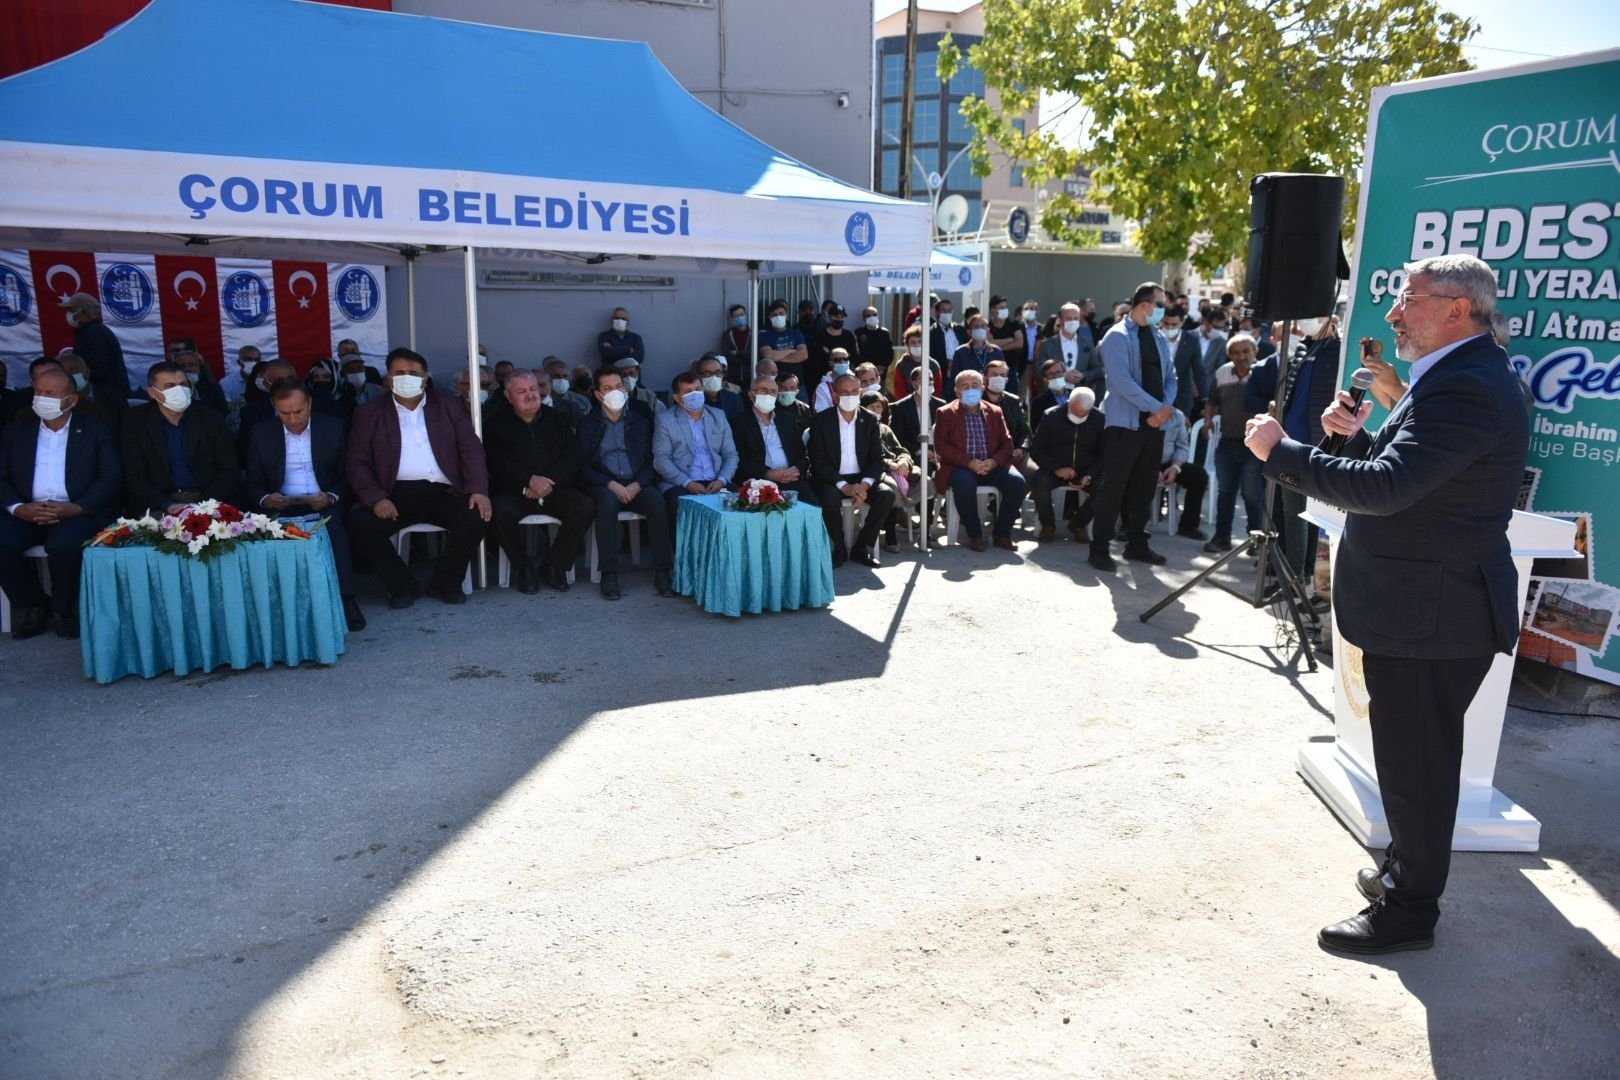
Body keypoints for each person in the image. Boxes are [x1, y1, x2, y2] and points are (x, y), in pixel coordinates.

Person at [1243, 254, 1529, 956]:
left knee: (1418, 771)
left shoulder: (1466, 386)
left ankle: (1409, 912)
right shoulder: (1458, 375)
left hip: (1431, 615)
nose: (1394, 314)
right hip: (1423, 609)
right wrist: (1356, 440)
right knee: (1411, 763)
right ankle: (1407, 873)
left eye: (1409, 300)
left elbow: (1389, 491)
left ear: (1457, 309)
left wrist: (1284, 453)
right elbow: (1413, 478)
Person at [345, 348, 491, 608]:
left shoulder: (448, 405)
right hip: (394, 494)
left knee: (477, 516)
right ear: (389, 378)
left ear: (425, 379)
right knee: (360, 522)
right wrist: (376, 498)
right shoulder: (369, 413)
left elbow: (471, 449)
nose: (406, 378)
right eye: (399, 372)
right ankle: (402, 586)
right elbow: (357, 462)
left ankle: (445, 583)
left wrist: (478, 489)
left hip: (444, 492)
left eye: (413, 373)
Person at [0, 365, 121, 640]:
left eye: (50, 394)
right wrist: (18, 508)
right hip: (27, 511)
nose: (41, 398)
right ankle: (35, 605)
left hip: (76, 511)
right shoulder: (16, 431)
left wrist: (78, 507)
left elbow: (111, 476)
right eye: (38, 392)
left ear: (71, 400)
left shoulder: (96, 430)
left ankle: (63, 611)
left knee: (64, 546)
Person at [244, 381, 365, 632]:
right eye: (284, 413)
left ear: (309, 403)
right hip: (280, 503)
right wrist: (266, 498)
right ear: (274, 407)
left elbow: (350, 473)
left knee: (335, 528)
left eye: (298, 411)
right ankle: (277, 607)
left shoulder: (334, 427)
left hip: (323, 501)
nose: (292, 419)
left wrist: (331, 496)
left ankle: (347, 599)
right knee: (262, 534)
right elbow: (252, 481)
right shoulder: (261, 433)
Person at [1087, 282, 1177, 571]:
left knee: (1144, 488)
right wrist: (1156, 408)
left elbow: (1171, 377)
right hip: (1125, 425)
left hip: (1154, 425)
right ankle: (1099, 548)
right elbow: (1122, 382)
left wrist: (1164, 409)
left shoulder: (1158, 336)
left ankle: (1137, 544)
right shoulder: (1117, 336)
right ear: (1145, 305)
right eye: (1160, 304)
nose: (1163, 310)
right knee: (1114, 487)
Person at [1245, 316, 1343, 578]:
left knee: (1306, 516)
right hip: (1289, 441)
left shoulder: (1338, 352)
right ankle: (1294, 574)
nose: (1304, 324)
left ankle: (1298, 576)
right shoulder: (1302, 349)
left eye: (1312, 318)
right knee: (1293, 513)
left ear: (1328, 319)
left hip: (1318, 444)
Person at [483, 370, 593, 595]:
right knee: (498, 512)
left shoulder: (558, 419)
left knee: (585, 506)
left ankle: (554, 566)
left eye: (533, 389)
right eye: (521, 391)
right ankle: (523, 569)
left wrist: (548, 483)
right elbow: (497, 464)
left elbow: (572, 457)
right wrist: (528, 482)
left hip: (555, 489)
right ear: (508, 396)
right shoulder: (495, 424)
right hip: (516, 492)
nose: (531, 395)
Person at [577, 368, 675, 599]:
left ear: (626, 389)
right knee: (607, 505)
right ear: (598, 394)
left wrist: (638, 484)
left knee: (656, 502)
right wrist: (610, 484)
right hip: (605, 485)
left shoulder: (641, 421)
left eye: (618, 386)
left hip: (636, 483)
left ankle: (663, 571)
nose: (615, 392)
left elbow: (653, 461)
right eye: (607, 388)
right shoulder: (588, 424)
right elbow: (581, 466)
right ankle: (609, 573)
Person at [122, 362, 239, 516]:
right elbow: (134, 475)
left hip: (208, 501)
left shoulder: (211, 418)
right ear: (152, 392)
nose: (179, 390)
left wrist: (202, 505)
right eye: (170, 386)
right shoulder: (135, 422)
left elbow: (229, 470)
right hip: (157, 505)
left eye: (183, 384)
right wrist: (167, 504)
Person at [808, 372, 897, 567]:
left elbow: (877, 459)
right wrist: (844, 486)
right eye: (844, 392)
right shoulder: (821, 421)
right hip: (832, 478)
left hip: (861, 478)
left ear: (860, 393)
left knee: (887, 495)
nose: (850, 396)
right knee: (828, 497)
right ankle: (839, 548)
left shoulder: (870, 420)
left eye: (854, 392)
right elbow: (818, 462)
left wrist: (864, 485)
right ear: (835, 396)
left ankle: (861, 547)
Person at [933, 369, 1026, 553]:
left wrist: (994, 462)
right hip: (960, 466)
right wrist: (969, 462)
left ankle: (1002, 533)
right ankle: (975, 535)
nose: (970, 390)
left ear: (983, 388)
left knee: (1017, 483)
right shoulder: (945, 412)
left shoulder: (995, 411)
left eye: (975, 385)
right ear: (957, 391)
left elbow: (1007, 443)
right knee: (964, 484)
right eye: (965, 386)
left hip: (992, 465)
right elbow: (941, 446)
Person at [653, 371, 738, 534]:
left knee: (740, 503)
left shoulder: (718, 416)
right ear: (678, 398)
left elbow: (731, 455)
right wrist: (687, 483)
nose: (694, 394)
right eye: (688, 391)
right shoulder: (665, 419)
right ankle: (683, 550)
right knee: (678, 507)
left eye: (697, 389)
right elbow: (661, 459)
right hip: (681, 483)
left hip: (716, 481)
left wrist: (722, 480)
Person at [1202, 333, 1265, 553]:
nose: (1241, 356)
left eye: (1246, 351)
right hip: (1228, 442)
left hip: (1255, 446)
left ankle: (1256, 541)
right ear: (1229, 354)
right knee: (1225, 492)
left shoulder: (1263, 374)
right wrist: (1208, 421)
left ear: (1255, 351)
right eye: (1236, 352)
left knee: (1252, 493)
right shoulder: (1222, 373)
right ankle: (1222, 538)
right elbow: (1211, 401)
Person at [1028, 386, 1104, 543]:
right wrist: (1056, 469)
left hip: (1086, 470)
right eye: (1075, 411)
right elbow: (1036, 449)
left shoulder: (1100, 419)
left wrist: (1090, 475)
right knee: (1039, 482)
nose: (1078, 416)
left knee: (1106, 487)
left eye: (1083, 414)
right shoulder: (1051, 415)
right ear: (1069, 403)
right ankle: (1048, 525)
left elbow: (1105, 455)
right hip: (1055, 468)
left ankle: (1078, 524)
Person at [732, 372, 817, 502]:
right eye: (763, 391)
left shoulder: (787, 420)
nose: (768, 395)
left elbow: (801, 454)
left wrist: (796, 470)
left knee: (814, 505)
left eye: (773, 391)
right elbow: (739, 459)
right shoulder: (739, 422)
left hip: (790, 479)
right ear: (751, 395)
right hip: (757, 482)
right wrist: (768, 474)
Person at [861, 389, 916, 552]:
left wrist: (904, 462)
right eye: (872, 407)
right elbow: (868, 457)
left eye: (879, 407)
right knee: (891, 488)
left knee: (926, 481)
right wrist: (890, 465)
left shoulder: (885, 429)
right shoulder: (860, 429)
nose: (876, 410)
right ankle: (891, 534)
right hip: (876, 471)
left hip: (897, 468)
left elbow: (901, 450)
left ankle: (925, 532)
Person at [60, 292, 131, 402]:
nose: (68, 314)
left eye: (71, 310)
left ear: (85, 312)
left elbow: (97, 370)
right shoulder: (90, 332)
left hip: (107, 399)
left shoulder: (95, 334)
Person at [1156, 408, 1208, 541]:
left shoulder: (1177, 415)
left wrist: (1175, 467)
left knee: (1199, 475)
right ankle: (1127, 527)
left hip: (1168, 463)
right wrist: (1151, 468)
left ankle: (1188, 526)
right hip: (1142, 461)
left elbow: (1182, 447)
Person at [1037, 302, 1103, 401]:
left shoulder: (1087, 343)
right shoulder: (1048, 344)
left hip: (1080, 396)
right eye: (1069, 319)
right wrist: (1062, 376)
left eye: (1076, 318)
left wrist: (1083, 375)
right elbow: (1039, 371)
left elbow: (1098, 370)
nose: (1072, 322)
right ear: (1060, 320)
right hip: (1055, 396)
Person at [53, 350, 126, 437]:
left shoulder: (114, 398)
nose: (67, 376)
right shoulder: (52, 402)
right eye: (62, 372)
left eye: (72, 370)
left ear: (87, 373)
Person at [889, 361, 943, 466]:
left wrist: (939, 453)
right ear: (913, 383)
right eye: (924, 379)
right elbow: (898, 437)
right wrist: (920, 451)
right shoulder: (900, 407)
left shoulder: (941, 405)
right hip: (914, 454)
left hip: (938, 453)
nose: (929, 382)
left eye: (931, 379)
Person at [982, 358, 1029, 471]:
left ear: (1007, 380)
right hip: (985, 456)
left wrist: (1021, 449)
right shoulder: (976, 400)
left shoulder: (1013, 401)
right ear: (985, 378)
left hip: (1012, 454)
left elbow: (1025, 432)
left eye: (1002, 375)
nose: (998, 378)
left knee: (1032, 472)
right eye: (994, 374)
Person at [1166, 306, 1209, 418]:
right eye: (1166, 324)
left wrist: (1205, 398)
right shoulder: (1156, 338)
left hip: (1182, 398)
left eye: (1174, 324)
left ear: (1182, 322)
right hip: (1158, 398)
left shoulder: (1191, 341)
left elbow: (1199, 370)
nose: (1170, 328)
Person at [808, 303, 859, 395]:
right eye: (836, 316)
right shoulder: (820, 336)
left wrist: (829, 353)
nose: (839, 319)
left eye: (841, 317)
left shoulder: (849, 335)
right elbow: (817, 359)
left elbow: (854, 356)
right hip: (825, 379)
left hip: (846, 379)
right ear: (830, 316)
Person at [947, 313, 1004, 393]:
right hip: (969, 394)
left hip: (991, 394)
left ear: (988, 330)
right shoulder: (960, 352)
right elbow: (954, 380)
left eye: (983, 326)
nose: (980, 329)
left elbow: (1002, 375)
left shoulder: (997, 351)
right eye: (976, 327)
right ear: (969, 332)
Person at [759, 300, 809, 386]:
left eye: (781, 313)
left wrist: (777, 357)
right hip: (776, 383)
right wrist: (791, 351)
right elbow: (768, 355)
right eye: (774, 315)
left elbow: (803, 355)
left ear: (786, 315)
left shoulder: (795, 332)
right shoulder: (764, 335)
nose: (778, 317)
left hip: (797, 382)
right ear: (769, 317)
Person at [169, 348, 228, 415]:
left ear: (198, 367)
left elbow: (223, 411)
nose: (188, 369)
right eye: (182, 366)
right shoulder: (169, 390)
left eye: (191, 365)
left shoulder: (211, 387)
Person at [695, 353, 745, 420]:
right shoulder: (693, 401)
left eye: (717, 373)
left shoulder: (735, 399)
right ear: (698, 376)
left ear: (723, 375)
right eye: (707, 373)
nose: (713, 377)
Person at [811, 347, 857, 413]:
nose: (842, 362)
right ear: (830, 363)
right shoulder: (823, 387)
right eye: (837, 360)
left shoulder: (857, 380)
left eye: (845, 359)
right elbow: (821, 414)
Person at [719, 303, 754, 383]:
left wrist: (738, 353)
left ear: (745, 315)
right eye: (736, 316)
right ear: (732, 318)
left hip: (751, 375)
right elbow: (727, 355)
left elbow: (756, 354)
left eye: (741, 315)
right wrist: (746, 357)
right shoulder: (727, 334)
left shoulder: (754, 333)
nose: (739, 317)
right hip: (733, 377)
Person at [854, 305, 894, 375]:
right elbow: (856, 354)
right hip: (864, 372)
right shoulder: (859, 333)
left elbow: (890, 353)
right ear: (864, 318)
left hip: (882, 371)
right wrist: (868, 368)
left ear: (878, 316)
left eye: (874, 315)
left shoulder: (885, 333)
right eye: (868, 316)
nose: (872, 317)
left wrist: (883, 366)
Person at [928, 297, 963, 370]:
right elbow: (930, 355)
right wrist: (947, 364)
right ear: (936, 312)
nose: (947, 313)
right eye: (943, 310)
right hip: (942, 370)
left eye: (949, 310)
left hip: (961, 368)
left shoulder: (960, 330)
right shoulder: (931, 332)